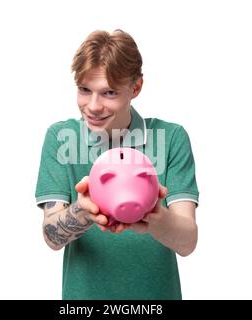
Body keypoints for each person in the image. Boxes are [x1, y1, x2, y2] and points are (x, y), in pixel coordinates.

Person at [35, 29, 199, 300]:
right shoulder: (61, 138)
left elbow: (188, 242)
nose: (93, 106)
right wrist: (82, 211)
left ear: (135, 88)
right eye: (84, 90)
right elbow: (52, 238)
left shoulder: (171, 138)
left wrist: (155, 216)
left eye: (109, 93)